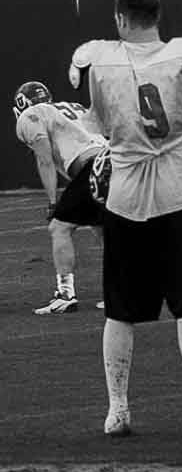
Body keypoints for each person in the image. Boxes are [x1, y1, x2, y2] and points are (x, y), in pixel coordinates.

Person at [69, 0, 182, 436]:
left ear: (121, 19)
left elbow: (102, 125)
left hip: (125, 194)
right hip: (180, 188)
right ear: (157, 16)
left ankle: (118, 410)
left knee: (121, 309)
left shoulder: (99, 64)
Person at [13, 80, 106, 315]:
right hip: (115, 162)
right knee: (103, 227)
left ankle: (65, 294)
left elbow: (44, 159)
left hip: (92, 166)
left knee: (59, 228)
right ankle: (124, 289)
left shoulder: (30, 116)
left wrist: (53, 202)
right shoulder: (74, 107)